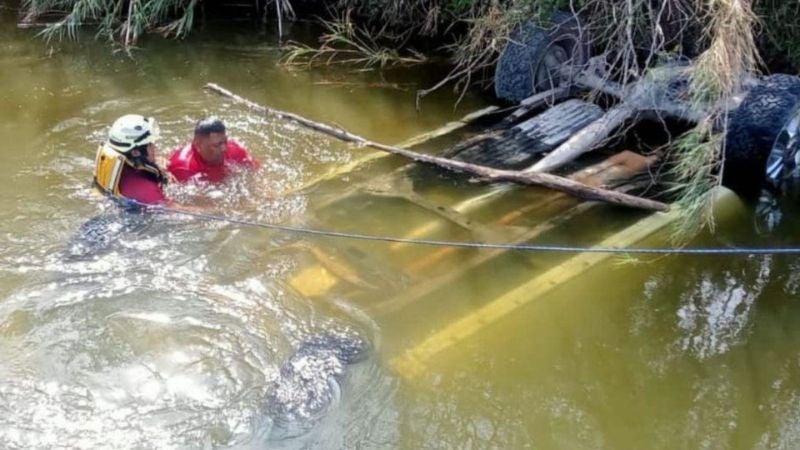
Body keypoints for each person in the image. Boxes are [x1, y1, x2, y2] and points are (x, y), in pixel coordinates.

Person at [94, 114, 169, 205]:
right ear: (135, 152)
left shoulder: (119, 166)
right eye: (150, 144)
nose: (154, 147)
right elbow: (175, 209)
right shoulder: (146, 188)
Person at [167, 117, 258, 183]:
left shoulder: (235, 149)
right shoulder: (182, 168)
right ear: (198, 145)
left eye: (225, 141)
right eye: (217, 145)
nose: (224, 148)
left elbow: (256, 172)